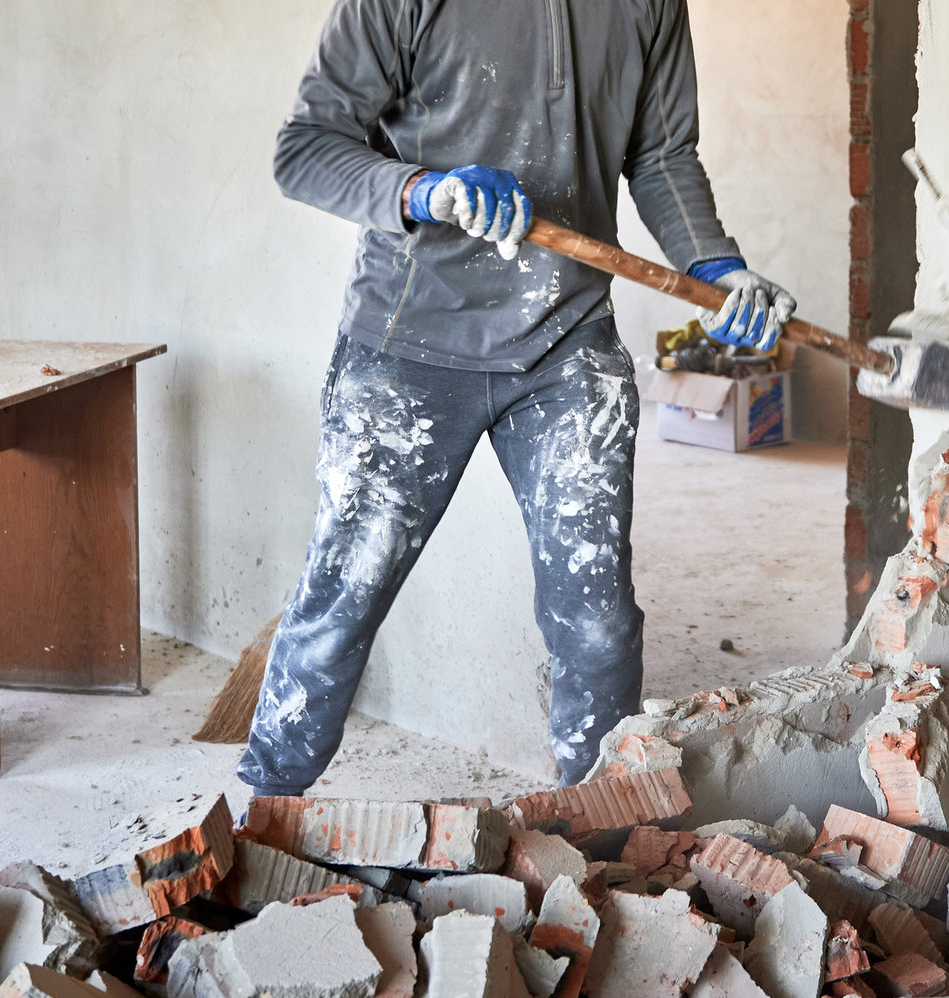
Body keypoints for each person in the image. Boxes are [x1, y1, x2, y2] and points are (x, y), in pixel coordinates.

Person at [236, 0, 795, 795]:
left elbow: (664, 153)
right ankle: (263, 816)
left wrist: (714, 263)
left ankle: (604, 824)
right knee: (342, 602)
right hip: (409, 346)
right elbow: (305, 150)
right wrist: (425, 190)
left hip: (568, 346)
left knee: (597, 620)